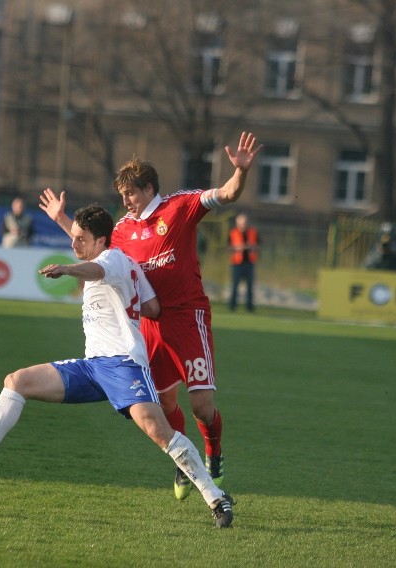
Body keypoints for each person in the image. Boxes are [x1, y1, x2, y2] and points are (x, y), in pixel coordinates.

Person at [0, 205, 235, 528]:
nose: (74, 244)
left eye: (81, 239)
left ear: (101, 241)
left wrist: (68, 270)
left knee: (160, 432)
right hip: (93, 366)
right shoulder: (124, 263)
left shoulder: (113, 260)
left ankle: (216, 497)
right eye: (73, 238)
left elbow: (97, 270)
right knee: (17, 381)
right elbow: (152, 307)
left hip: (124, 366)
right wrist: (64, 223)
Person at [40, 131, 263, 501]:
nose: (125, 201)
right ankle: (183, 460)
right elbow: (93, 249)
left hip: (188, 317)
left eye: (130, 193)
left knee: (202, 407)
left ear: (148, 188)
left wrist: (239, 172)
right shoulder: (123, 229)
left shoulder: (180, 207)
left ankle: (214, 455)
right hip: (150, 325)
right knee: (163, 404)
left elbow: (225, 195)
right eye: (122, 195)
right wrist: (63, 219)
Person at [228, 212, 260, 312]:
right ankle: (232, 306)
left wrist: (251, 246)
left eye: (245, 222)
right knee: (235, 286)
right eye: (241, 222)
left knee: (250, 286)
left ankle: (249, 307)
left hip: (250, 263)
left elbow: (259, 246)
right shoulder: (233, 233)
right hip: (237, 263)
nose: (243, 224)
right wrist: (240, 247)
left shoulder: (253, 232)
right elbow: (229, 247)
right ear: (237, 223)